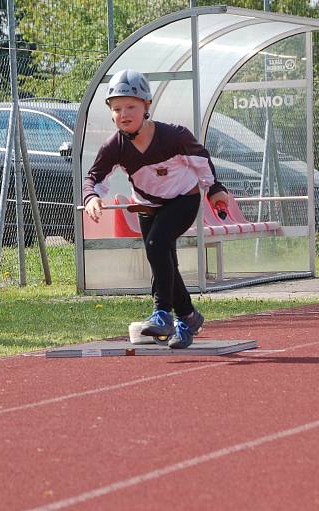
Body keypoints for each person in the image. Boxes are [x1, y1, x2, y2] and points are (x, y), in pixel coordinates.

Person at [82, 69, 231, 348]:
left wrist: (213, 189)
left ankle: (162, 313)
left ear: (147, 106)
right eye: (116, 109)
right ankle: (187, 318)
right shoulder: (114, 146)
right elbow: (95, 178)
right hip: (148, 206)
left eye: (131, 107)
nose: (123, 114)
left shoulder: (174, 136)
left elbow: (201, 160)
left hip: (183, 200)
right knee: (163, 260)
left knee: (156, 243)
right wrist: (92, 198)